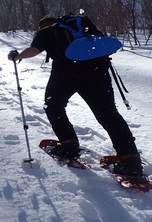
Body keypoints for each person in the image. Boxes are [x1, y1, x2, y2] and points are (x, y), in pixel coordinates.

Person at [8, 15, 143, 177]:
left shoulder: (46, 31)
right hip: (97, 71)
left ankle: (69, 145)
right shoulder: (83, 26)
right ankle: (130, 160)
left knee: (54, 106)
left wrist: (17, 56)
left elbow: (34, 50)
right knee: (108, 114)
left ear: (42, 25)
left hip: (65, 73)